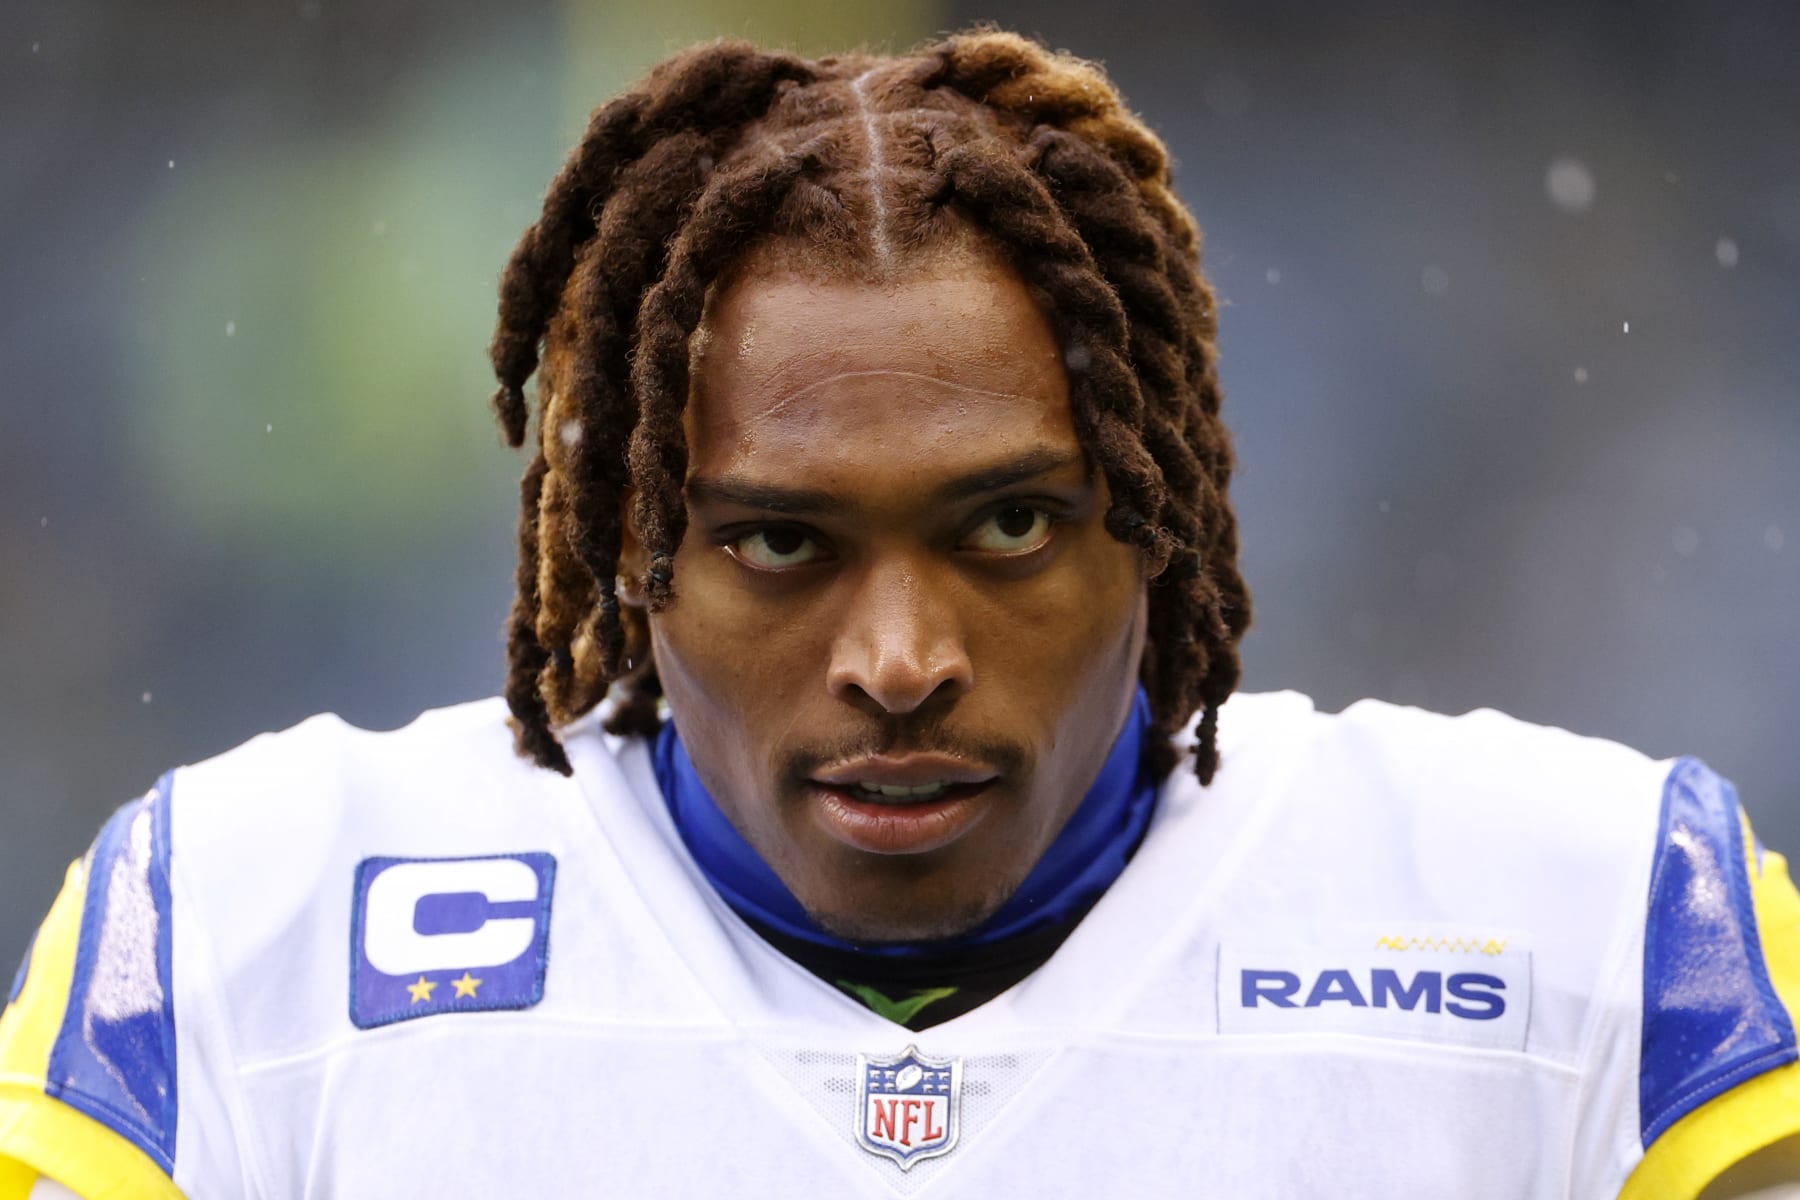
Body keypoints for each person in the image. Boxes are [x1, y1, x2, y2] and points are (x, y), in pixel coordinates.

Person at [1, 29, 1796, 1199]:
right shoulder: (242, 941)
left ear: (1156, 527)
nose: (900, 660)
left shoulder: (1597, 936)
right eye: (780, 544)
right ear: (634, 554)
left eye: (1008, 523)